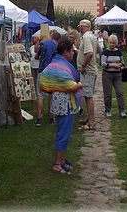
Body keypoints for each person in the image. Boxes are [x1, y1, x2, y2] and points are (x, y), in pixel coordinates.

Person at [39, 38, 83, 174]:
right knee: (63, 133)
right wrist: (79, 85)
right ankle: (57, 163)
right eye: (72, 51)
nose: (73, 54)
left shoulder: (56, 64)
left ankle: (61, 159)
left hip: (61, 103)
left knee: (63, 131)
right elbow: (73, 86)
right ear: (65, 52)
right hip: (65, 104)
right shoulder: (59, 67)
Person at [34, 31, 61, 127]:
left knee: (40, 95)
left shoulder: (43, 44)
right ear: (58, 39)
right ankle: (51, 118)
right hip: (53, 72)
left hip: (42, 71)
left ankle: (38, 119)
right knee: (52, 95)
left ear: (51, 36)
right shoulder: (58, 47)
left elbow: (36, 55)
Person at [77, 19, 99, 131]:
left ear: (82, 27)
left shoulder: (86, 38)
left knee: (88, 96)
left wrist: (83, 65)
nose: (79, 29)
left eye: (80, 27)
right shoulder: (93, 37)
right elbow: (98, 50)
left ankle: (91, 122)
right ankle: (89, 117)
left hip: (87, 71)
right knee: (86, 95)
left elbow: (90, 53)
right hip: (91, 70)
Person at [101, 35, 127, 118]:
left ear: (116, 43)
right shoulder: (105, 52)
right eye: (110, 43)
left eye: (113, 43)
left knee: (120, 93)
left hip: (118, 75)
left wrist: (120, 64)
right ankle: (108, 110)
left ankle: (122, 110)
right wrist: (112, 65)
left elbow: (123, 62)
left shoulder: (118, 52)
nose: (112, 45)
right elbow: (103, 64)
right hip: (107, 75)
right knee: (108, 94)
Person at [68, 29, 83, 116]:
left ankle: (80, 107)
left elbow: (81, 54)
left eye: (71, 37)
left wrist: (75, 49)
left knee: (77, 88)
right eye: (69, 36)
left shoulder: (79, 45)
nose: (70, 38)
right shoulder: (67, 44)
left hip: (76, 68)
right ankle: (72, 105)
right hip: (68, 67)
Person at [29, 33, 41, 98]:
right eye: (33, 38)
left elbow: (37, 53)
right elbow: (31, 55)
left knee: (38, 79)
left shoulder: (40, 46)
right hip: (32, 64)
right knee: (33, 78)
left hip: (38, 65)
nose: (34, 39)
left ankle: (38, 92)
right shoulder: (31, 47)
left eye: (35, 38)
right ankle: (34, 92)